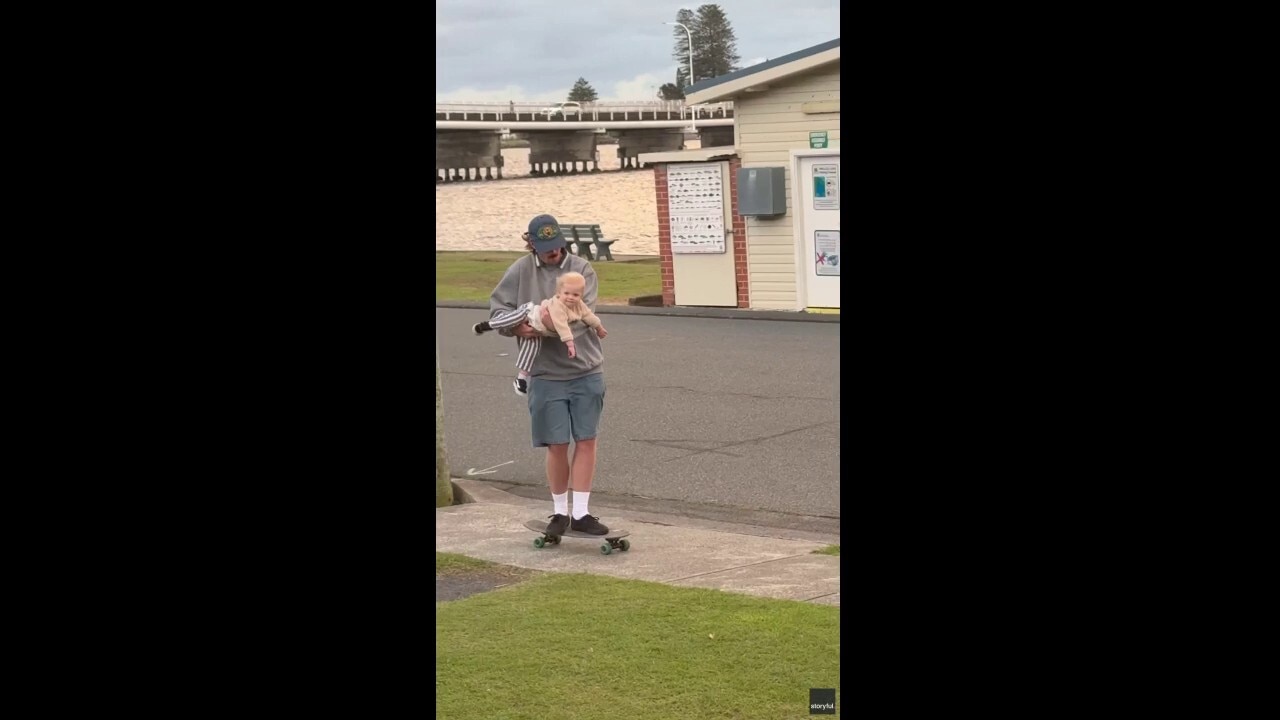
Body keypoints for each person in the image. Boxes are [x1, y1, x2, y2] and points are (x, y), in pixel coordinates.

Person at [487, 214, 609, 537]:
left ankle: (581, 513)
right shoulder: (519, 270)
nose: (553, 253)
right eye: (546, 248)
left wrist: (542, 326)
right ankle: (559, 513)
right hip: (544, 374)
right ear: (532, 245)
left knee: (586, 440)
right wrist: (518, 327)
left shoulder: (582, 270)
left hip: (585, 371)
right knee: (556, 444)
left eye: (556, 246)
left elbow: (583, 318)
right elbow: (497, 313)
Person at [472, 271, 608, 395]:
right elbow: (561, 325)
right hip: (530, 313)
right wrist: (570, 344)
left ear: (581, 295)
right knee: (512, 319)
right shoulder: (558, 305)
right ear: (559, 292)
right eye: (567, 293)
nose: (570, 298)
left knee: (532, 351)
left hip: (539, 329)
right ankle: (488, 325)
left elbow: (589, 316)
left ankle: (521, 378)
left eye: (575, 295)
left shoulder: (579, 306)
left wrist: (599, 328)